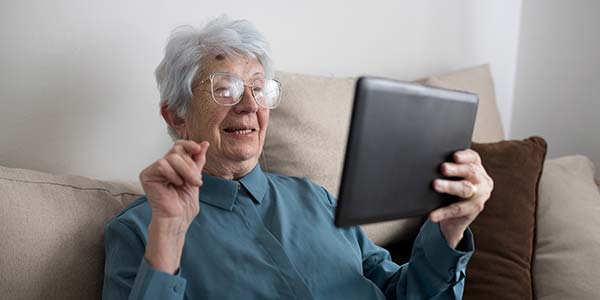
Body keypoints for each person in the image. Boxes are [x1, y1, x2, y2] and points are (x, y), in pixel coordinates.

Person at [102, 16, 493, 300]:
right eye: (225, 89)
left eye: (258, 88)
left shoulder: (317, 199)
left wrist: (450, 228)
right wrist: (169, 234)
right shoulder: (142, 229)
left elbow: (403, 292)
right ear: (176, 115)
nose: (248, 105)